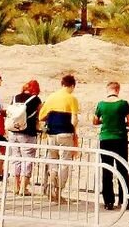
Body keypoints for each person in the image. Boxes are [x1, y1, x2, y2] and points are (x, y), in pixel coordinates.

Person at [39, 74, 80, 202]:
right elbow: (74, 119)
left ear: (62, 84)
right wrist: (73, 131)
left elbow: (41, 116)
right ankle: (58, 190)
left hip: (51, 134)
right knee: (65, 163)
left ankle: (51, 184)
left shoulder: (52, 97)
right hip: (65, 134)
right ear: (72, 86)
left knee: (53, 160)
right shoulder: (72, 98)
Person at [93, 82, 129, 211]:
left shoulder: (101, 104)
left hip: (105, 139)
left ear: (108, 90)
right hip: (120, 138)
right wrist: (121, 122)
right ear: (118, 90)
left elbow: (95, 121)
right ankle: (124, 200)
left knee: (107, 170)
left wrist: (104, 121)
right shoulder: (123, 103)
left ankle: (108, 201)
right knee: (122, 169)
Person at [7, 80, 42, 196]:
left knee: (16, 158)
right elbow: (39, 116)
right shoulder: (36, 100)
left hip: (13, 131)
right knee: (27, 159)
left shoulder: (15, 97)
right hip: (28, 132)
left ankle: (16, 186)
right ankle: (23, 188)